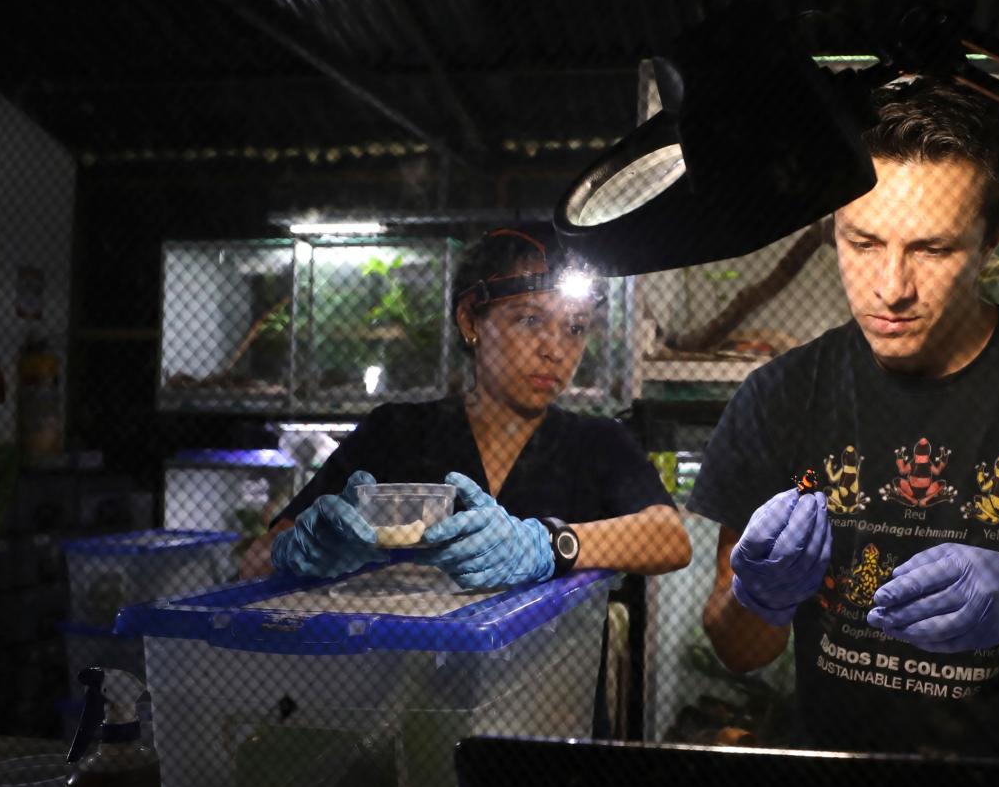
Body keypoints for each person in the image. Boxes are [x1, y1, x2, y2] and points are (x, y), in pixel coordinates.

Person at [686, 75, 999, 758]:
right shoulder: (782, 395)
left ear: (995, 238)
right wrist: (760, 597)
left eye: (932, 250)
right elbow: (738, 648)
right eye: (863, 243)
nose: (891, 288)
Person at [243, 228, 692, 588]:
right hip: (408, 683)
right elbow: (256, 560)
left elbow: (669, 538)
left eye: (575, 328)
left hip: (550, 688)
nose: (555, 350)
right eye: (529, 319)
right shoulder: (397, 433)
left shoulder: (596, 443)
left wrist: (549, 545)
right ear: (470, 320)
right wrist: (296, 551)